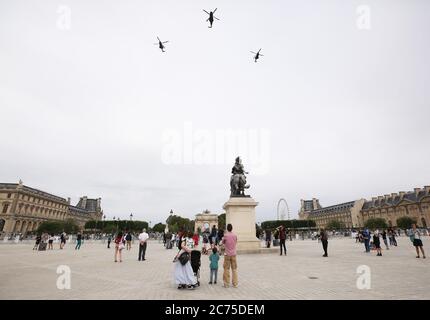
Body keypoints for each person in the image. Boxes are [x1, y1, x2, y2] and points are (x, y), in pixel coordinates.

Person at [222, 223, 238, 288]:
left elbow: (223, 242)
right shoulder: (235, 235)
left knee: (226, 269)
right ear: (232, 228)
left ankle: (226, 283)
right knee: (234, 269)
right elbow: (236, 242)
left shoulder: (225, 235)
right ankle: (235, 283)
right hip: (234, 254)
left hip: (227, 254)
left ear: (227, 228)